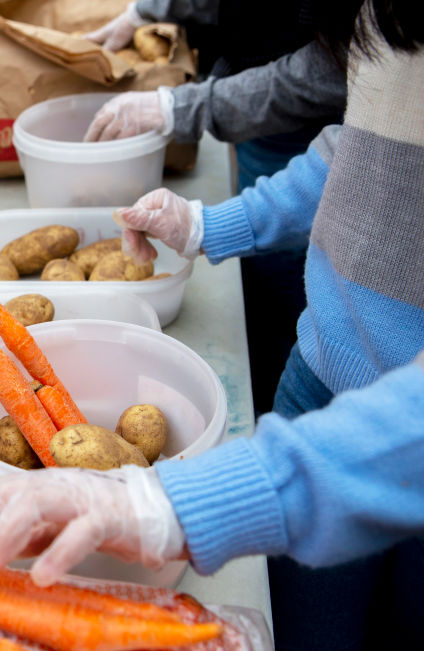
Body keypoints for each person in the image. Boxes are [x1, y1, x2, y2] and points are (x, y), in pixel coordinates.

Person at [0, 1, 424, 651]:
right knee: (302, 646)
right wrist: (211, 223)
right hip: (314, 379)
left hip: (402, 439)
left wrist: (168, 502)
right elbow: (365, 150)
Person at [82, 0, 353, 419]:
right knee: (271, 331)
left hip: (387, 376)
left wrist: (184, 109)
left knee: (284, 293)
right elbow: (358, 156)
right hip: (322, 354)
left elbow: (340, 77)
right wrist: (204, 226)